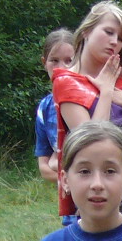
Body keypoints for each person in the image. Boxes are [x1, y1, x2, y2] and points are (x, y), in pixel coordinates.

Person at [53, 1, 122, 226]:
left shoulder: (119, 80)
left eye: (120, 39)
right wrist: (106, 91)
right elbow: (91, 142)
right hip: (96, 198)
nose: (114, 42)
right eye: (108, 32)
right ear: (87, 31)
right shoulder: (67, 82)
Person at [34, 29, 77, 188]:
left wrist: (56, 161)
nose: (61, 67)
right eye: (54, 60)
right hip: (68, 192)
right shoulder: (45, 108)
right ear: (44, 63)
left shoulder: (90, 98)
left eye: (69, 60)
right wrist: (70, 184)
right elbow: (44, 168)